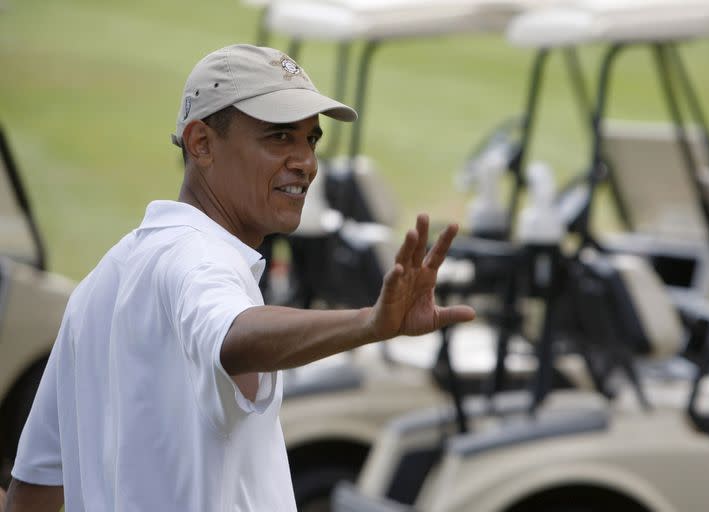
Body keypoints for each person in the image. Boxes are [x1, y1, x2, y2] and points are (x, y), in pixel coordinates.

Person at [6, 44, 475, 511]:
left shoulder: (99, 284)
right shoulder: (199, 260)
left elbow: (33, 490)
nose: (305, 162)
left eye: (310, 140)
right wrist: (369, 324)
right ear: (201, 143)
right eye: (279, 137)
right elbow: (231, 333)